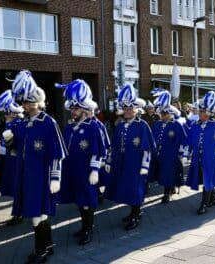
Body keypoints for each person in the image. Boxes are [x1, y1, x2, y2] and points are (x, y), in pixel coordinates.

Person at [7, 70, 66, 263]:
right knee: (37, 213)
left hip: (42, 176)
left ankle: (40, 250)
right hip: (26, 176)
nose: (25, 105)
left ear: (37, 101)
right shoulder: (23, 124)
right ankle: (47, 246)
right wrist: (9, 142)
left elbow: (57, 152)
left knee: (38, 214)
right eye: (23, 102)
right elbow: (17, 150)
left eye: (29, 101)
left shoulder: (48, 122)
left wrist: (56, 178)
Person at [56, 79, 105, 245]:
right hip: (72, 171)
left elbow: (98, 151)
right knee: (79, 201)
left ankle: (89, 229)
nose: (73, 111)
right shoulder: (69, 127)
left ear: (84, 109)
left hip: (86, 172)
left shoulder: (93, 127)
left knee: (86, 202)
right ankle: (84, 226)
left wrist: (95, 170)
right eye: (72, 108)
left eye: (76, 108)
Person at [104, 84, 155, 230]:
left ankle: (136, 214)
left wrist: (145, 166)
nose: (127, 111)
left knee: (136, 189)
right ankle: (133, 211)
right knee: (127, 188)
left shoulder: (142, 125)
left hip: (136, 164)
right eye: (125, 109)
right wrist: (109, 160)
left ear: (136, 109)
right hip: (122, 163)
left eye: (129, 108)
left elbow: (147, 148)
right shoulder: (120, 125)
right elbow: (113, 146)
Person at [185, 91, 215, 215]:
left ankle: (203, 204)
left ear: (209, 113)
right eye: (200, 111)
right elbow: (190, 140)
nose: (199, 113)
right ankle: (213, 198)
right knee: (205, 178)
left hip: (211, 158)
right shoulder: (195, 125)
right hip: (198, 157)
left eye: (202, 112)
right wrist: (186, 153)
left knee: (208, 179)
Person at [0, 90, 25, 225]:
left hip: (16, 160)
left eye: (7, 112)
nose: (5, 115)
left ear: (13, 113)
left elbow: (18, 144)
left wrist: (11, 142)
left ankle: (19, 214)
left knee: (17, 188)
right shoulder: (10, 123)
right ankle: (18, 213)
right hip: (9, 159)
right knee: (14, 188)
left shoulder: (18, 124)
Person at [149, 89, 186, 204]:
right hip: (159, 153)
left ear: (170, 113)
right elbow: (152, 139)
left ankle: (167, 193)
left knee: (168, 173)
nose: (163, 115)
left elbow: (182, 140)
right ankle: (170, 188)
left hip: (171, 154)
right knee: (161, 173)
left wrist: (181, 155)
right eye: (161, 113)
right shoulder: (157, 124)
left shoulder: (176, 125)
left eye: (165, 113)